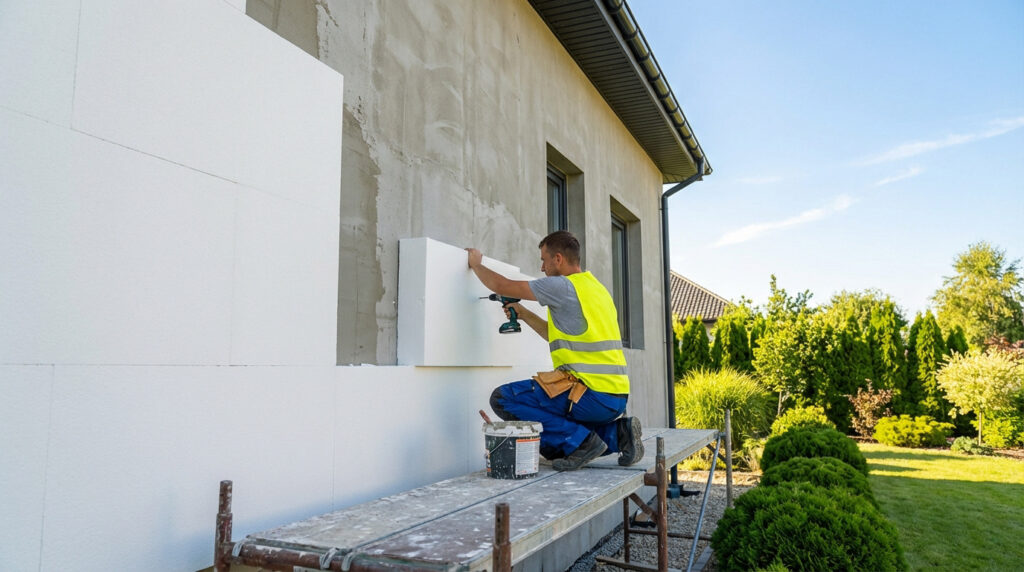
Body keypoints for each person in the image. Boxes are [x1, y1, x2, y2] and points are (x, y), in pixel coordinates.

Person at [466, 230, 643, 471]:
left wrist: (476, 264)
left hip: (591, 395)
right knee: (555, 417)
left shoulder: (562, 286)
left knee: (503, 399)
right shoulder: (596, 289)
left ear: (558, 259)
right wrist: (525, 314)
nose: (541, 268)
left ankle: (580, 444)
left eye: (543, 260)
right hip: (615, 397)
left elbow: (502, 285)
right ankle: (619, 434)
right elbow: (556, 336)